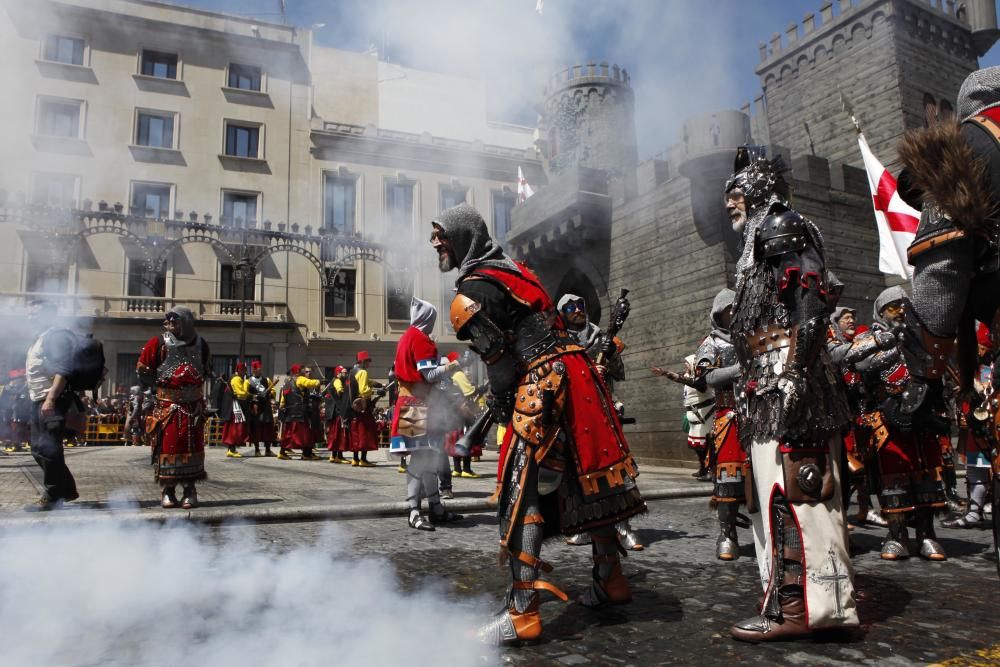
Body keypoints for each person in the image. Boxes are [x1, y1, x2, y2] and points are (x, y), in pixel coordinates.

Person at [431, 203, 645, 645]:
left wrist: (501, 402)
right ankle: (611, 577)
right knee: (586, 478)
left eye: (441, 234)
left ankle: (522, 612)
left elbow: (501, 366)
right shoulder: (516, 270)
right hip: (576, 373)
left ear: (462, 237)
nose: (435, 243)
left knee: (520, 490)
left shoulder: (471, 292)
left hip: (541, 384)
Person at [724, 146, 858, 640]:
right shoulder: (761, 232)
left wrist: (794, 372)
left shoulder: (780, 223)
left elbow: (813, 301)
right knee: (780, 487)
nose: (730, 203)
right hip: (769, 374)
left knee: (796, 485)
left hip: (785, 373)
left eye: (735, 192)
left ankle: (799, 608)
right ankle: (797, 601)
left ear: (757, 186)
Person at [854, 287, 948, 561]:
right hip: (887, 416)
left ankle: (927, 534)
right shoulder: (867, 338)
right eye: (893, 306)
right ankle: (897, 536)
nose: (900, 310)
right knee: (892, 480)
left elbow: (934, 365)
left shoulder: (917, 336)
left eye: (903, 304)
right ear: (881, 310)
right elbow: (861, 366)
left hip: (920, 416)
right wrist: (892, 344)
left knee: (926, 475)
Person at [558, 292, 644, 552]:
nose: (577, 310)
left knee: (616, 469)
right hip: (574, 413)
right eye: (571, 307)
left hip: (604, 409)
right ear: (563, 313)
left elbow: (619, 372)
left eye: (580, 305)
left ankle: (624, 527)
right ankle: (587, 526)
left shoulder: (601, 338)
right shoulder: (558, 342)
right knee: (577, 473)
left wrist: (611, 355)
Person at [389, 297, 463, 530]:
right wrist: (450, 367)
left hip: (413, 402)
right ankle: (414, 511)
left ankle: (435, 508)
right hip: (417, 404)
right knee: (421, 459)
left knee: (428, 457)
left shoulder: (407, 336)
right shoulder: (421, 340)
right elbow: (429, 375)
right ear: (426, 318)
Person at [137, 306, 210, 509]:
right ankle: (168, 490)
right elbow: (143, 370)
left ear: (185, 322)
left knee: (192, 447)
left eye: (173, 321)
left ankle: (190, 490)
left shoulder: (201, 344)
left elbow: (206, 370)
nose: (167, 325)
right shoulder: (158, 343)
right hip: (167, 407)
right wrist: (153, 393)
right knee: (167, 448)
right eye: (167, 321)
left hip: (193, 407)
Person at [826, 307, 888, 530]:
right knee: (850, 467)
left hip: (866, 410)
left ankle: (868, 508)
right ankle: (843, 513)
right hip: (845, 414)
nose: (851, 321)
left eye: (853, 317)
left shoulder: (862, 339)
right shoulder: (834, 344)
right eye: (846, 318)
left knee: (871, 465)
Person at [22, 299, 80, 511]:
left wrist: (51, 398)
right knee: (39, 448)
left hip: (51, 399)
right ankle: (66, 489)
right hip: (39, 398)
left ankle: (54, 495)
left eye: (35, 313)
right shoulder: (40, 337)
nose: (30, 318)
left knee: (47, 447)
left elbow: (63, 370)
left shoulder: (56, 336)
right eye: (29, 314)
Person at [944, 322, 993, 528]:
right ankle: (974, 512)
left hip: (991, 426)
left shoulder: (989, 368)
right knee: (975, 469)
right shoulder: (970, 367)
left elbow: (986, 393)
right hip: (975, 426)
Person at [444, 351, 483, 478]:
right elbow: (469, 392)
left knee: (456, 437)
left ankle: (456, 469)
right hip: (463, 411)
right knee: (467, 437)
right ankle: (466, 469)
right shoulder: (459, 374)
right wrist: (480, 389)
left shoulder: (449, 375)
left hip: (452, 411)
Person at [277, 364, 321, 460]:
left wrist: (282, 407)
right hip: (300, 412)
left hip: (290, 412)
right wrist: (318, 381)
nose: (303, 371)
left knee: (289, 434)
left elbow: (283, 400)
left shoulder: (287, 383)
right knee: (304, 434)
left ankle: (282, 452)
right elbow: (310, 383)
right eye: (301, 370)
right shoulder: (300, 379)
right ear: (298, 371)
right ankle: (306, 454)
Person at [348, 351, 381, 467]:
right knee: (365, 433)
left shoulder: (353, 371)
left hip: (354, 408)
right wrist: (376, 391)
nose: (369, 364)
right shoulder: (363, 372)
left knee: (356, 432)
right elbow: (363, 390)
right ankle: (363, 460)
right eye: (367, 361)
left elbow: (363, 382)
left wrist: (374, 383)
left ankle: (355, 459)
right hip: (363, 407)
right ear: (362, 361)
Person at [220, 362, 250, 459]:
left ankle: (231, 449)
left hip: (233, 406)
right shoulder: (236, 379)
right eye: (244, 370)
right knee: (235, 428)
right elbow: (241, 394)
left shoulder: (235, 378)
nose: (246, 372)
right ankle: (231, 449)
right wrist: (246, 384)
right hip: (234, 406)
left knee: (233, 427)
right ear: (240, 370)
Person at [247, 360, 277, 457]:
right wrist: (255, 396)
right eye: (255, 369)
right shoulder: (248, 381)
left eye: (259, 369)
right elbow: (245, 393)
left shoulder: (266, 380)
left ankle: (268, 450)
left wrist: (269, 393)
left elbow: (273, 391)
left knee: (268, 428)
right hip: (256, 407)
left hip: (266, 407)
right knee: (256, 429)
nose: (257, 371)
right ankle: (257, 450)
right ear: (253, 370)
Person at [324, 365, 351, 464]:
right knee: (339, 434)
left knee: (335, 435)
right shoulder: (337, 381)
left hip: (334, 412)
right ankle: (338, 456)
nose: (346, 374)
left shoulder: (336, 381)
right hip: (338, 412)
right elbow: (340, 390)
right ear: (338, 373)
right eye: (344, 373)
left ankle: (334, 455)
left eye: (346, 372)